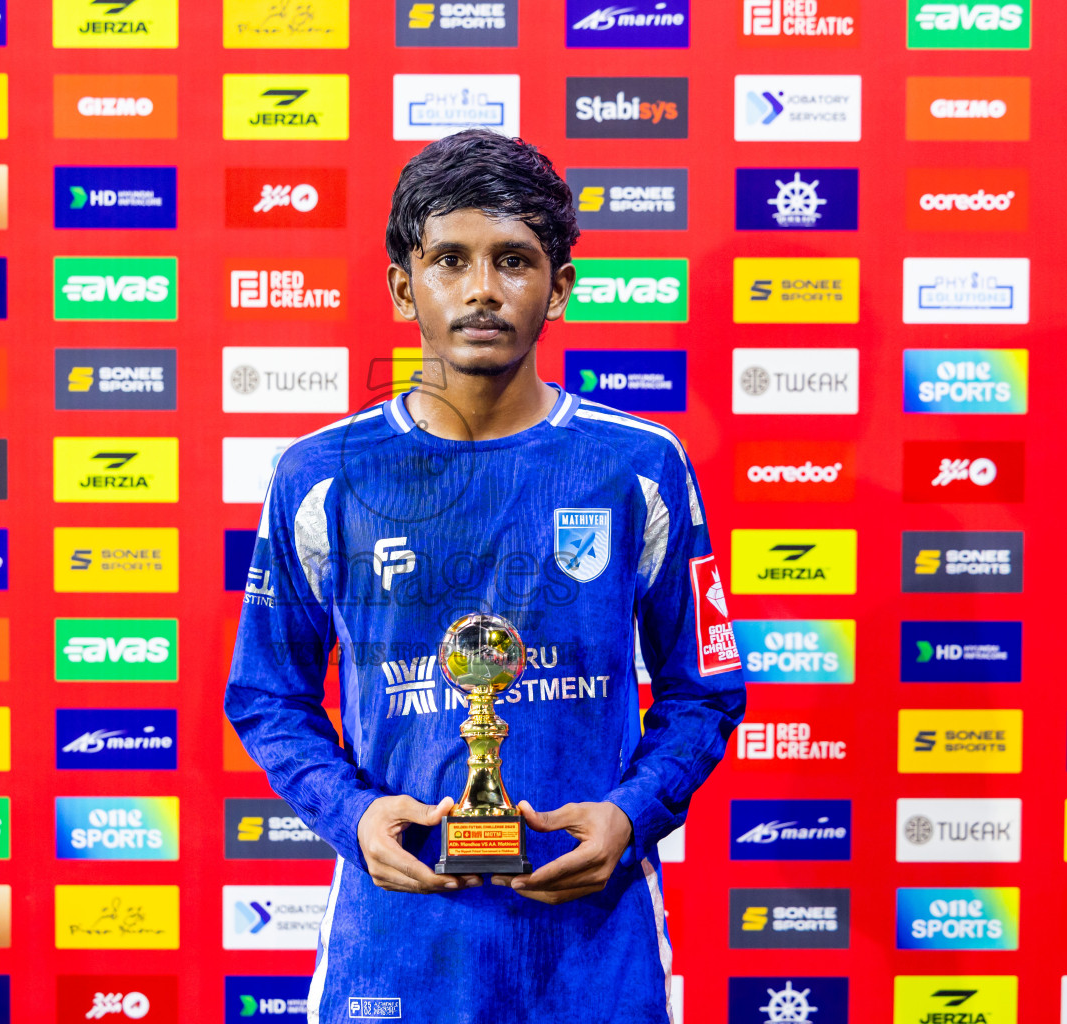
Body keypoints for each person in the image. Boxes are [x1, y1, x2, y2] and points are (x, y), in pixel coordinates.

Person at [225, 128, 745, 1024]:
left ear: (561, 286)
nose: (480, 291)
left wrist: (632, 815)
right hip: (395, 951)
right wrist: (352, 816)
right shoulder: (321, 475)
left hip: (592, 951)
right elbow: (267, 697)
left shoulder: (638, 467)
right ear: (403, 286)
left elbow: (707, 690)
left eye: (513, 261)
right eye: (450, 261)